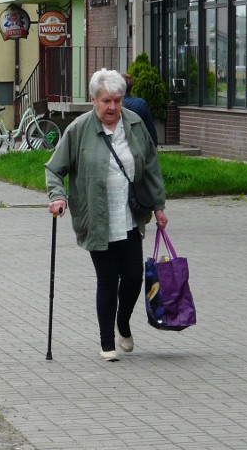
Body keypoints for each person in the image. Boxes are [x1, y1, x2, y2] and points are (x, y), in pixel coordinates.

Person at [45, 68, 168, 363]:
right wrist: (58, 197)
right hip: (95, 217)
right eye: (106, 101)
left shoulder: (135, 124)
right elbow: (53, 169)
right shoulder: (78, 129)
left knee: (134, 278)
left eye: (117, 100)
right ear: (93, 100)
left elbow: (150, 166)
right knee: (108, 279)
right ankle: (106, 342)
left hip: (129, 216)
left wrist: (159, 206)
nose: (112, 107)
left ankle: (123, 322)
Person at [123, 73, 158, 146]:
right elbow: (150, 128)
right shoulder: (141, 103)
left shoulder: (111, 105)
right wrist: (154, 145)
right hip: (139, 144)